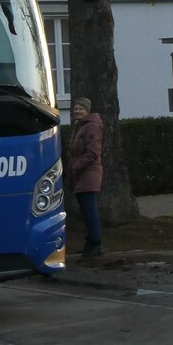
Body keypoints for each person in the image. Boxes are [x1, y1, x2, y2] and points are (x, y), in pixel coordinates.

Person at [68, 96, 104, 257]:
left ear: (87, 111)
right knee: (85, 209)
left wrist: (76, 166)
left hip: (88, 173)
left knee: (89, 209)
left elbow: (93, 153)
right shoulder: (79, 126)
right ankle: (91, 242)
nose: (77, 111)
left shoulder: (91, 127)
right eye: (75, 109)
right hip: (81, 173)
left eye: (80, 109)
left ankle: (96, 242)